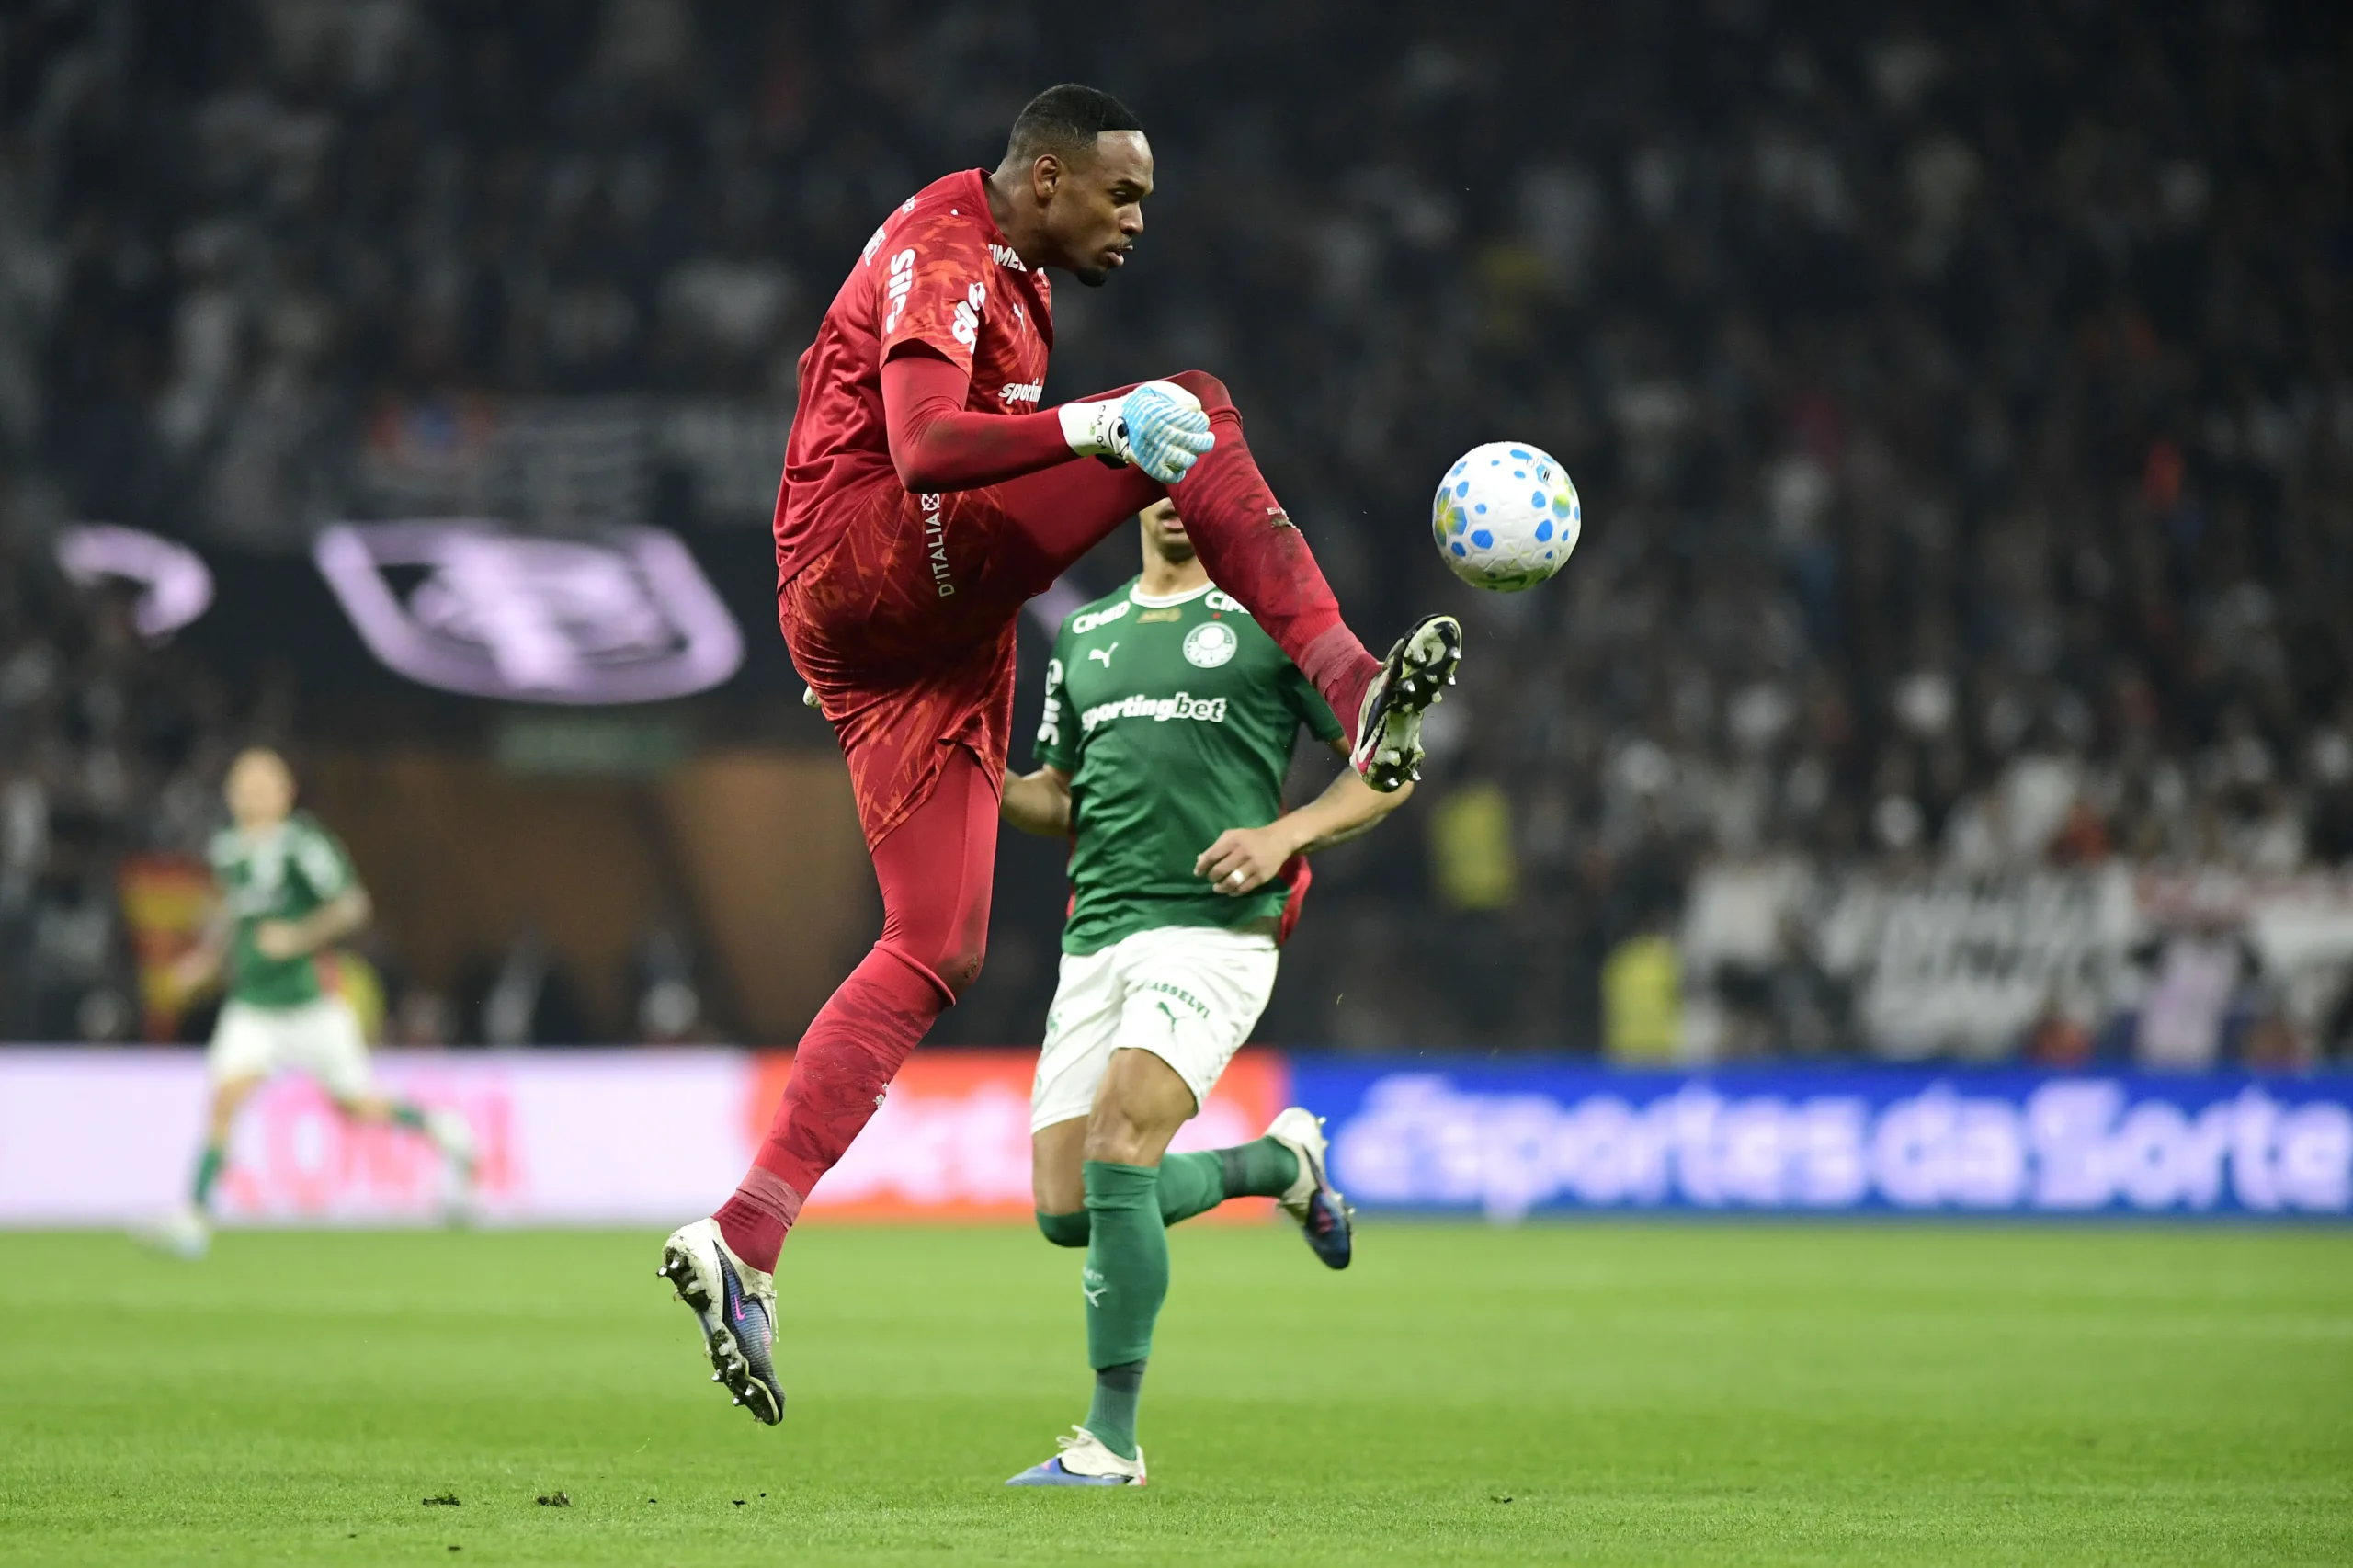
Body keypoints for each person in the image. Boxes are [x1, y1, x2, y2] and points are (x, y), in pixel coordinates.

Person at [657, 84, 1461, 1425]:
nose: (1140, 220)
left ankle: (746, 1233)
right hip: (874, 555)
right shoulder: (948, 248)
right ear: (1043, 181)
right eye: (1124, 193)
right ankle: (1351, 678)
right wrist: (1100, 427)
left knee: (937, 944)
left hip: (924, 636)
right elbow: (920, 446)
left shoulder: (1023, 284)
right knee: (1189, 404)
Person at [995, 499, 1410, 1485]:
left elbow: (1386, 768)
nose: (1175, 498)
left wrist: (1284, 833)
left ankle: (1110, 1442)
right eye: (1156, 475)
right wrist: (969, 774)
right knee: (1068, 1205)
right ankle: (1278, 1163)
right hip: (1097, 934)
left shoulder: (1274, 621)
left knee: (1118, 1139)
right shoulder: (1086, 635)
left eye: (1195, 478)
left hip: (1217, 930)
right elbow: (1059, 794)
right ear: (1127, 491)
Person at [143, 749, 474, 1259]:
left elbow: (352, 905)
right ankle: (193, 1217)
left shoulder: (304, 844)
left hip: (311, 1005)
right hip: (253, 1004)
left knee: (357, 1105)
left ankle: (444, 1130)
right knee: (225, 1099)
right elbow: (235, 920)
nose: (251, 793)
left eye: (263, 783)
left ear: (285, 792)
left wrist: (297, 936)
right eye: (243, 783)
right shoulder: (228, 850)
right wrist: (204, 964)